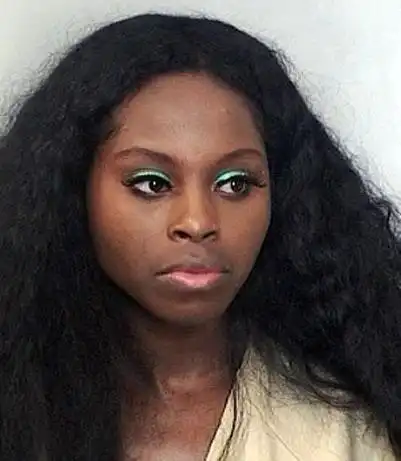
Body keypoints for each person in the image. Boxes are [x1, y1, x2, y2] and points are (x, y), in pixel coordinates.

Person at [0, 12, 400, 461]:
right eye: (151, 183)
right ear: (74, 190)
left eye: (235, 183)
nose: (197, 221)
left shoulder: (351, 427)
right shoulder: (20, 411)